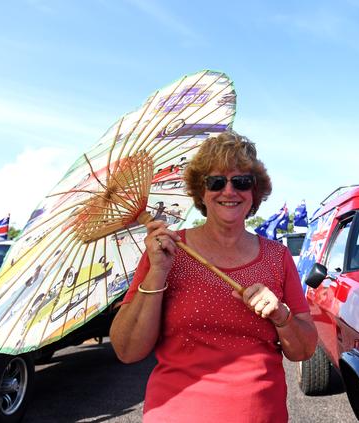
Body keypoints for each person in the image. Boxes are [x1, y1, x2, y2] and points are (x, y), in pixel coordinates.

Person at [110, 132, 318, 422]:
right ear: (201, 192)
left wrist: (280, 315)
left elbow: (304, 350)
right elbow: (127, 350)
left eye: (241, 181)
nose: (228, 191)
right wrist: (158, 272)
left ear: (255, 190)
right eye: (216, 181)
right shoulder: (167, 251)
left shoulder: (277, 256)